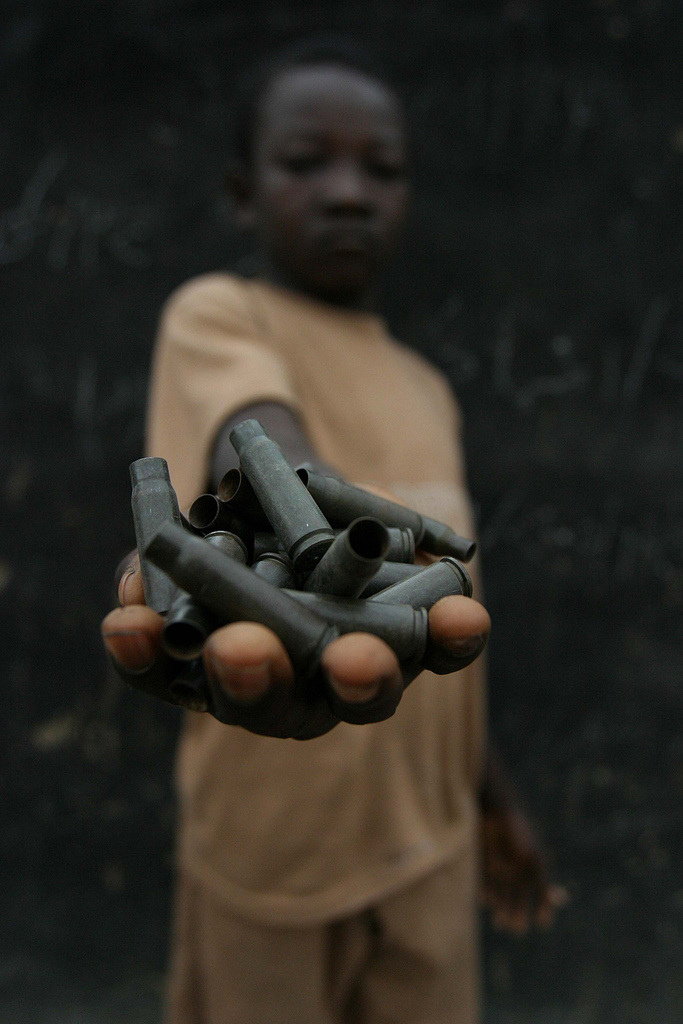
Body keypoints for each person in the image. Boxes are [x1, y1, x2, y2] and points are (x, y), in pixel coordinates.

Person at [101, 38, 563, 1024]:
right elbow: (256, 439)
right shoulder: (218, 314)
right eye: (307, 162)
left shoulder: (427, 388)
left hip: (428, 849)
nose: (348, 192)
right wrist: (300, 537)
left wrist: (490, 799)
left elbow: (437, 613)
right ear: (240, 191)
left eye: (380, 169)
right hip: (271, 854)